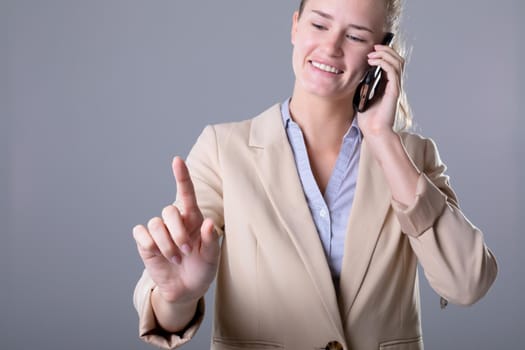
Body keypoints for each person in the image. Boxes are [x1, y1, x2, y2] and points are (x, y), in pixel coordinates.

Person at [132, 0, 498, 349]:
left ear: (382, 51)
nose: (331, 46)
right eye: (319, 24)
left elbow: (467, 283)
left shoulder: (413, 157)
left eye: (355, 35)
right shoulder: (223, 149)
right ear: (295, 26)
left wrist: (382, 139)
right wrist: (178, 296)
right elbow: (164, 299)